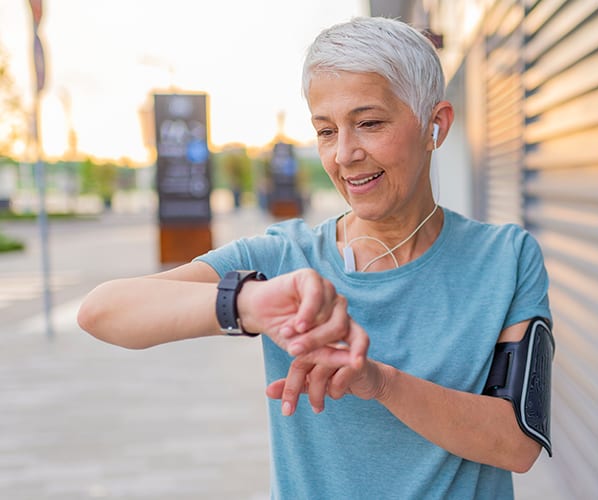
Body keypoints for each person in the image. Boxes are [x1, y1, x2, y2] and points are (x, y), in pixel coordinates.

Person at [78, 16, 552, 499]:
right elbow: (102, 312)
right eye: (326, 131)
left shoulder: (506, 258)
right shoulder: (282, 258)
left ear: (436, 124)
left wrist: (379, 381)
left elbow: (516, 444)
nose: (345, 154)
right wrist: (249, 304)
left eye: (369, 124)